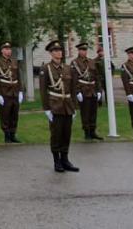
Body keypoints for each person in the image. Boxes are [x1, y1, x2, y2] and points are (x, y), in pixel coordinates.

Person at [39, 40, 79, 173]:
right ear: (51, 53)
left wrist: (74, 107)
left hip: (67, 106)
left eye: (60, 50)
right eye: (55, 50)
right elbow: (43, 90)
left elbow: (73, 89)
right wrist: (47, 109)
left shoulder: (68, 69)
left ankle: (65, 160)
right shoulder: (46, 69)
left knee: (66, 134)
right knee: (56, 135)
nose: (59, 52)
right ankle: (57, 161)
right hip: (55, 106)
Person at [70, 42, 103, 141]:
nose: (84, 52)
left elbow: (96, 77)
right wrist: (77, 91)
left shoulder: (91, 62)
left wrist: (99, 90)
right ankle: (87, 132)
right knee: (85, 112)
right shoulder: (74, 63)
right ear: (79, 51)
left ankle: (93, 131)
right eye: (82, 50)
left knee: (93, 112)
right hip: (83, 90)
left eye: (85, 50)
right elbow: (74, 79)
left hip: (92, 90)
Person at [0, 41, 23, 143]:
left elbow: (19, 77)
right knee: (5, 114)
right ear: (2, 51)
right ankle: (6, 135)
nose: (8, 51)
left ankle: (13, 134)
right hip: (5, 92)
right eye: (6, 49)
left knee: (14, 114)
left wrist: (21, 91)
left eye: (9, 49)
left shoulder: (14, 62)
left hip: (15, 92)